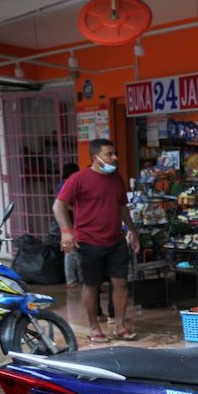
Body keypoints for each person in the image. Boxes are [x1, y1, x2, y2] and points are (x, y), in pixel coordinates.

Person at [53, 139, 140, 343]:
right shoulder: (78, 179)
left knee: (120, 283)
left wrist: (133, 232)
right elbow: (58, 205)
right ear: (95, 157)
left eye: (114, 153)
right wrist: (67, 231)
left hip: (116, 240)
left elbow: (121, 208)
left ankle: (120, 325)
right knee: (91, 285)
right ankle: (94, 328)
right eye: (109, 154)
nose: (114, 158)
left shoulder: (117, 179)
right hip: (89, 242)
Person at [55, 163, 82, 288]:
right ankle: (71, 280)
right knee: (70, 251)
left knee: (74, 251)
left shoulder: (66, 184)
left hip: (72, 221)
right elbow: (62, 205)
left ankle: (78, 278)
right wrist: (77, 209)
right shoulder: (64, 185)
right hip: (67, 222)